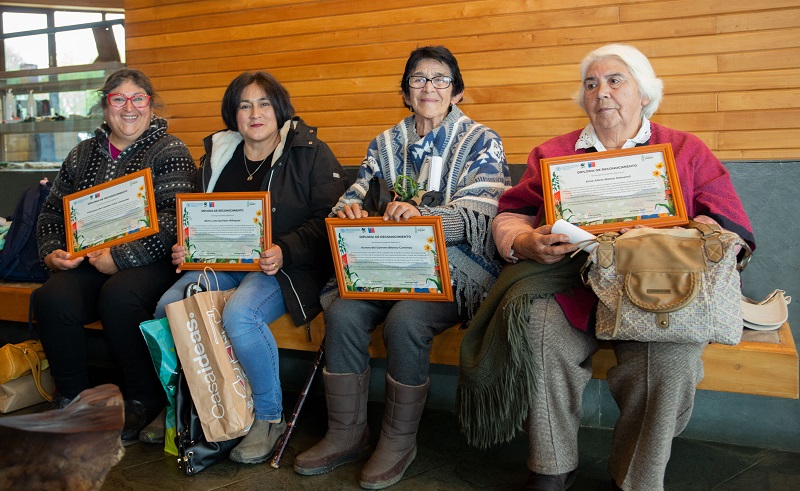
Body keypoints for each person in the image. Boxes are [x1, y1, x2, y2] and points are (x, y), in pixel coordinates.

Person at [460, 44, 756, 491]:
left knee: (671, 361)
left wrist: (700, 229)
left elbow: (731, 223)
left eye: (616, 80)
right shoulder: (554, 152)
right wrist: (524, 241)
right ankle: (551, 466)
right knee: (537, 331)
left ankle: (636, 477)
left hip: (657, 289)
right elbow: (512, 212)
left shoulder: (684, 149)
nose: (602, 92)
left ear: (644, 94)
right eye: (591, 83)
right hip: (572, 285)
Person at [294, 45, 510, 489]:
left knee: (406, 320)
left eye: (440, 79)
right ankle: (347, 433)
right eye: (418, 79)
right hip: (388, 263)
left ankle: (398, 440)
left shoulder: (482, 140)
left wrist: (426, 220)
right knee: (342, 313)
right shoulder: (386, 143)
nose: (429, 87)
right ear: (406, 91)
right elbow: (353, 196)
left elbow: (483, 212)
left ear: (457, 92)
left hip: (456, 267)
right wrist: (350, 212)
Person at [153, 71, 348, 463]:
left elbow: (329, 218)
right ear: (233, 114)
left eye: (263, 103)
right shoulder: (216, 155)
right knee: (166, 307)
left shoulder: (311, 151)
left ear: (279, 109)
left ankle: (268, 417)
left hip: (288, 268)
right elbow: (195, 217)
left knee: (241, 316)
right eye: (244, 105)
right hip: (224, 263)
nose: (254, 113)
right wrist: (185, 248)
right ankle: (185, 405)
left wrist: (285, 250)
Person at [35, 68, 197, 445]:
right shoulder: (82, 154)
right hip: (89, 261)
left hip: (151, 264)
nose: (129, 108)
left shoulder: (170, 150)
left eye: (138, 98)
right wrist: (52, 254)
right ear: (105, 107)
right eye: (118, 99)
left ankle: (143, 398)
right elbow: (51, 213)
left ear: (150, 106)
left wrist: (120, 258)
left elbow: (177, 219)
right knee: (52, 296)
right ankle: (73, 400)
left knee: (119, 294)